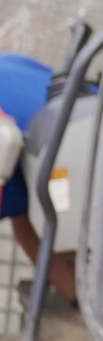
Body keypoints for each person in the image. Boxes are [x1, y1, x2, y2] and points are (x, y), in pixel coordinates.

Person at [0, 51, 73, 302]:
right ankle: (82, 306)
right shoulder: (10, 66)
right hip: (80, 107)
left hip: (70, 146)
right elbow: (25, 224)